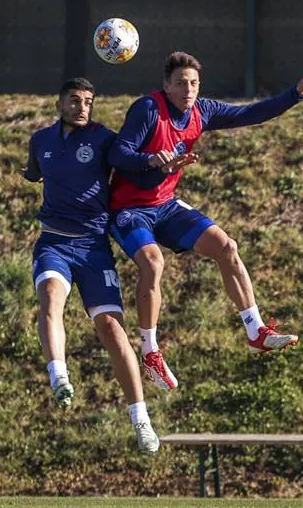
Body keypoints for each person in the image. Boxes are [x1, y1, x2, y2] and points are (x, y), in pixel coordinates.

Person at [107, 51, 303, 389]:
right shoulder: (148, 109)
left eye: (194, 83)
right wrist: (153, 161)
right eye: (181, 83)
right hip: (129, 208)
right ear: (166, 85)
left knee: (227, 246)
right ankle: (150, 353)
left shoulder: (203, 111)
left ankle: (255, 330)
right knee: (153, 265)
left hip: (165, 205)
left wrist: (294, 94)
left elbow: (250, 113)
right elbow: (118, 153)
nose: (188, 89)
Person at [22, 77, 187, 454]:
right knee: (50, 296)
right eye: (75, 100)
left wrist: (160, 164)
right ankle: (59, 377)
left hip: (94, 247)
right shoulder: (40, 141)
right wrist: (29, 175)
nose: (82, 107)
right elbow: (34, 172)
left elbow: (135, 165)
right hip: (54, 242)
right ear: (59, 103)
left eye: (88, 102)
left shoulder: (105, 139)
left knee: (113, 331)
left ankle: (141, 420)